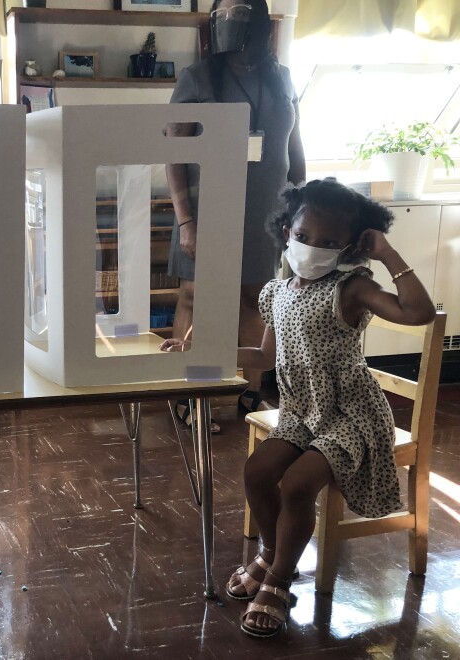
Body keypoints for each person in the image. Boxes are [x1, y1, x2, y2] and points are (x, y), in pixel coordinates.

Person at [164, 178, 436, 637]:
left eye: (329, 242)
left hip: (352, 414)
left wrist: (387, 254)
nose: (313, 248)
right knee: (255, 472)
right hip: (301, 411)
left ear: (350, 246)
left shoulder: (353, 287)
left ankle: (279, 579)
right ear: (286, 229)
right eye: (304, 236)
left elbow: (419, 314)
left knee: (297, 484)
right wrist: (202, 354)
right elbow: (264, 357)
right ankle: (274, 553)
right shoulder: (278, 291)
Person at [166, 0, 306, 429]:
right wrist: (186, 220)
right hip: (205, 209)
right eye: (224, 13)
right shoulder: (198, 78)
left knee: (255, 299)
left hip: (267, 212)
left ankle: (250, 393)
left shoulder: (281, 78)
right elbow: (174, 153)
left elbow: (294, 149)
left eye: (242, 12)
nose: (232, 21)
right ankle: (188, 394)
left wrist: (300, 209)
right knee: (196, 297)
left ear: (261, 20)